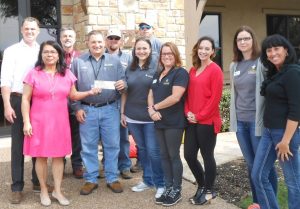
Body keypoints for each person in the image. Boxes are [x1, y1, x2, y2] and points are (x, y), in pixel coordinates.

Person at [22, 40, 99, 206]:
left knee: (58, 157)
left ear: (59, 55)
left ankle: (57, 190)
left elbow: (73, 95)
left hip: (60, 122)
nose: (49, 55)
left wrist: (89, 92)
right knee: (40, 157)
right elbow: (25, 99)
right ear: (41, 55)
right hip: (38, 122)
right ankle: (43, 190)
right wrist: (26, 122)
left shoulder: (67, 74)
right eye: (46, 52)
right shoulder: (33, 73)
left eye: (53, 52)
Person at [71, 30, 126, 195]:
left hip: (110, 109)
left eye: (100, 42)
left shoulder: (115, 61)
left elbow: (124, 82)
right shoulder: (77, 62)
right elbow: (71, 88)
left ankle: (112, 178)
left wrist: (124, 84)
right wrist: (77, 108)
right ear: (87, 43)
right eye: (93, 42)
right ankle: (91, 179)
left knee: (112, 145)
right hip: (87, 110)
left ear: (105, 43)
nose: (97, 45)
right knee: (88, 146)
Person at [229, 26, 278, 209]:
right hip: (241, 123)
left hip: (258, 123)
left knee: (263, 167)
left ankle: (270, 202)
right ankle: (258, 203)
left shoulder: (262, 63)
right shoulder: (234, 65)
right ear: (236, 43)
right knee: (251, 165)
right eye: (239, 39)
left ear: (253, 40)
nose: (243, 42)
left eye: (246, 38)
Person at [0, 17, 46, 204]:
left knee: (37, 143)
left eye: (33, 29)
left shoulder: (42, 50)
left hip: (39, 102)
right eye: (26, 28)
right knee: (18, 146)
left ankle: (37, 182)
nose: (29, 31)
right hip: (18, 100)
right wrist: (7, 105)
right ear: (21, 30)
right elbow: (5, 80)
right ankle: (17, 186)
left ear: (38, 30)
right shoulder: (12, 51)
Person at [252, 34, 300, 209]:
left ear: (286, 50)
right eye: (269, 50)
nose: (272, 53)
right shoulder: (276, 73)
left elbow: (296, 110)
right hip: (269, 132)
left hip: (285, 135)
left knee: (293, 182)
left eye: (276, 48)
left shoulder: (293, 72)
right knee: (258, 176)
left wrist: (286, 141)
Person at [120, 37, 165, 199]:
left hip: (150, 117)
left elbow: (161, 91)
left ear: (150, 49)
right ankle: (147, 181)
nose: (141, 51)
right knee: (143, 150)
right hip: (132, 117)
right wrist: (123, 113)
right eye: (138, 48)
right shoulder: (130, 67)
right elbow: (125, 92)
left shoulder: (157, 67)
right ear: (134, 50)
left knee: (154, 151)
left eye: (144, 48)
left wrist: (157, 109)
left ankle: (161, 183)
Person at [148, 42, 189, 206]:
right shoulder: (158, 73)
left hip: (174, 122)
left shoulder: (180, 73)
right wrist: (151, 110)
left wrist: (155, 107)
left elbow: (175, 97)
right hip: (159, 121)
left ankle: (176, 190)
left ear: (175, 55)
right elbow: (150, 93)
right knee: (163, 155)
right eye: (164, 54)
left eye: (170, 54)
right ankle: (168, 186)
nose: (166, 56)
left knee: (173, 155)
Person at [183, 36, 223, 205]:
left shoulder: (216, 70)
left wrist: (199, 116)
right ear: (197, 49)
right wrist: (188, 113)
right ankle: (201, 186)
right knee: (189, 155)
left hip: (207, 121)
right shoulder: (193, 69)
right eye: (201, 47)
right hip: (192, 121)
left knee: (207, 156)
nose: (203, 51)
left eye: (207, 48)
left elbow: (215, 99)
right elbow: (187, 95)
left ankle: (208, 190)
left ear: (212, 52)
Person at [105, 28, 132, 179]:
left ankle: (125, 166)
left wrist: (125, 83)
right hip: (106, 101)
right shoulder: (100, 56)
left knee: (123, 136)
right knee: (107, 137)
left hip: (122, 101)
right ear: (106, 40)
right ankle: (109, 165)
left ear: (121, 41)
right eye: (110, 38)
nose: (113, 40)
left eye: (116, 38)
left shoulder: (128, 58)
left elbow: (132, 77)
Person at [60, 26, 83, 179]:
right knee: (60, 135)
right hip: (59, 104)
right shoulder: (54, 55)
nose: (67, 38)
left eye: (70, 36)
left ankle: (77, 165)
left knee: (77, 136)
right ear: (60, 39)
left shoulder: (82, 56)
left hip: (76, 102)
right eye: (64, 36)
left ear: (74, 39)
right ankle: (59, 164)